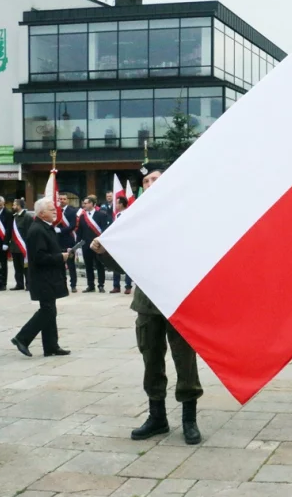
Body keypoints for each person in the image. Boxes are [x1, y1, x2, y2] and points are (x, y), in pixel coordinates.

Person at [91, 163, 203, 445]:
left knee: (185, 361)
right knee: (151, 360)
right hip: (147, 302)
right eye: (147, 181)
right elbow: (121, 262)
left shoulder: (185, 213)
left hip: (178, 300)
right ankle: (157, 418)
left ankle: (189, 419)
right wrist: (104, 251)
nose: (151, 183)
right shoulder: (133, 218)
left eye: (156, 178)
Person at [11, 198, 71, 357]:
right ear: (42, 213)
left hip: (49, 277)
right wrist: (60, 257)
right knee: (47, 311)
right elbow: (39, 257)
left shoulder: (45, 227)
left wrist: (62, 253)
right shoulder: (37, 229)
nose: (55, 211)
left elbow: (49, 249)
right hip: (42, 278)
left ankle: (51, 346)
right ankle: (22, 338)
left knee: (50, 310)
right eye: (51, 210)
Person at [76, 195, 109, 293]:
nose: (84, 205)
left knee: (99, 265)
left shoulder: (101, 215)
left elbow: (104, 230)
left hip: (98, 245)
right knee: (88, 265)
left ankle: (101, 285)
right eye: (84, 203)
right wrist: (78, 245)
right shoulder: (82, 217)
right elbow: (80, 232)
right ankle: (90, 285)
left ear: (92, 204)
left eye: (86, 203)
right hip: (86, 245)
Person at [108, 196, 133, 295]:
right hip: (117, 243)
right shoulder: (117, 215)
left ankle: (128, 286)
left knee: (127, 265)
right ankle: (116, 286)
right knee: (116, 265)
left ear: (122, 204)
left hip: (127, 243)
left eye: (117, 203)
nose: (116, 205)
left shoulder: (129, 214)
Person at [57, 194, 79, 293]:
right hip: (58, 242)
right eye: (60, 199)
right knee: (60, 265)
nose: (62, 200)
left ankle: (73, 285)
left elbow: (73, 225)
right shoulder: (56, 211)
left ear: (67, 200)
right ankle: (62, 284)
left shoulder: (72, 211)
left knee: (71, 265)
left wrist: (60, 230)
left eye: (64, 199)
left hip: (69, 241)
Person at [10, 198, 32, 291]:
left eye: (15, 205)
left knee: (26, 267)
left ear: (19, 206)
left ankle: (29, 284)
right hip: (15, 247)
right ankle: (19, 284)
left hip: (24, 246)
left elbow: (29, 232)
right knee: (17, 267)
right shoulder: (14, 217)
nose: (13, 206)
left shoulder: (27, 217)